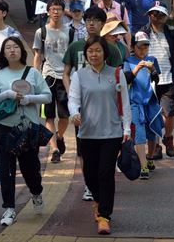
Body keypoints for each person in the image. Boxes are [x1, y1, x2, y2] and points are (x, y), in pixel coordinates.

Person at [68, 36, 131, 235]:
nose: (94, 54)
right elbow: (73, 99)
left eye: (98, 50)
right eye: (90, 51)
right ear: (86, 54)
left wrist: (127, 128)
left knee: (106, 174)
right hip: (87, 133)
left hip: (112, 132)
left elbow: (125, 103)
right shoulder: (79, 75)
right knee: (89, 175)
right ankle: (97, 200)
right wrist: (74, 113)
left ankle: (105, 216)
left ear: (105, 53)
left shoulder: (117, 74)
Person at [0, 37, 52, 227]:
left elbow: (47, 96)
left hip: (27, 129)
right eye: (8, 48)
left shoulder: (32, 73)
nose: (12, 50)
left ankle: (36, 192)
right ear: (3, 53)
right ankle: (9, 208)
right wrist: (7, 94)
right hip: (4, 128)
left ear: (22, 51)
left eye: (15, 47)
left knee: (30, 168)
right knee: (6, 170)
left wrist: (29, 98)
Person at [62, 7, 123, 202]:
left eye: (96, 20)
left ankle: (101, 190)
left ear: (103, 24)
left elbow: (119, 81)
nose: (91, 23)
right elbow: (66, 71)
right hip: (82, 107)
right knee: (84, 151)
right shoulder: (75, 47)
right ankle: (90, 185)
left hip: (106, 112)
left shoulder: (111, 49)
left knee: (104, 160)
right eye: (88, 19)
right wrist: (73, 92)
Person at [140, 1, 174, 159]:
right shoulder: (142, 33)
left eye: (161, 13)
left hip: (168, 79)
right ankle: (156, 145)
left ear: (166, 16)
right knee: (153, 114)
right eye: (154, 13)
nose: (157, 17)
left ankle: (168, 137)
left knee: (170, 113)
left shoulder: (172, 34)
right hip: (148, 80)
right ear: (149, 15)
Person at [33, 0, 71, 164]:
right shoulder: (41, 32)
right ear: (48, 11)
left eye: (59, 9)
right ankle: (54, 149)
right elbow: (37, 56)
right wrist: (36, 77)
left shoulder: (71, 32)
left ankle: (59, 137)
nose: (56, 12)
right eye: (53, 9)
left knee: (64, 116)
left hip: (65, 77)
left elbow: (74, 57)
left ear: (63, 12)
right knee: (48, 116)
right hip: (47, 77)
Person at [123, 31, 162, 179]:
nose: (143, 50)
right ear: (133, 47)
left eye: (145, 47)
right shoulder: (128, 61)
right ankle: (143, 165)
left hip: (150, 101)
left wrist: (152, 70)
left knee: (152, 130)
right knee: (139, 133)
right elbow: (126, 79)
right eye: (140, 47)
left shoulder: (152, 60)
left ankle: (150, 157)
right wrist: (137, 68)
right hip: (135, 103)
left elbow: (156, 80)